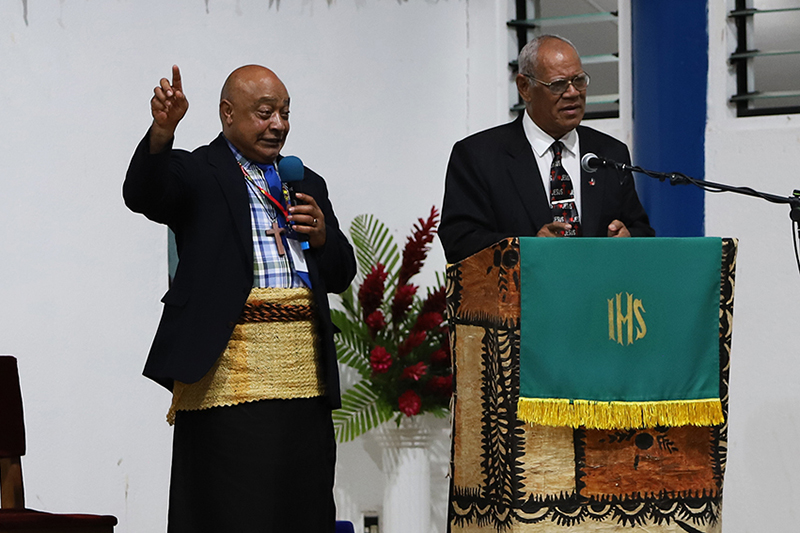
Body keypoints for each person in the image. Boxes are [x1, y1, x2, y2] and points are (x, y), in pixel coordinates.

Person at [123, 64, 356, 533]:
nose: (278, 124)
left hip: (302, 376)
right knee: (231, 507)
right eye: (265, 113)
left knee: (302, 504)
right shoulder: (197, 171)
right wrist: (162, 131)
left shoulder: (305, 181)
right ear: (228, 113)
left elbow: (340, 274)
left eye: (285, 113)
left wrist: (325, 237)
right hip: (227, 374)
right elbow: (143, 194)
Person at [440, 35, 654, 263]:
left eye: (579, 81)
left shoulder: (609, 153)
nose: (573, 93)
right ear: (525, 87)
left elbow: (640, 229)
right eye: (558, 85)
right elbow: (459, 241)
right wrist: (527, 247)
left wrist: (628, 237)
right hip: (521, 295)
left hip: (596, 294)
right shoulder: (479, 156)